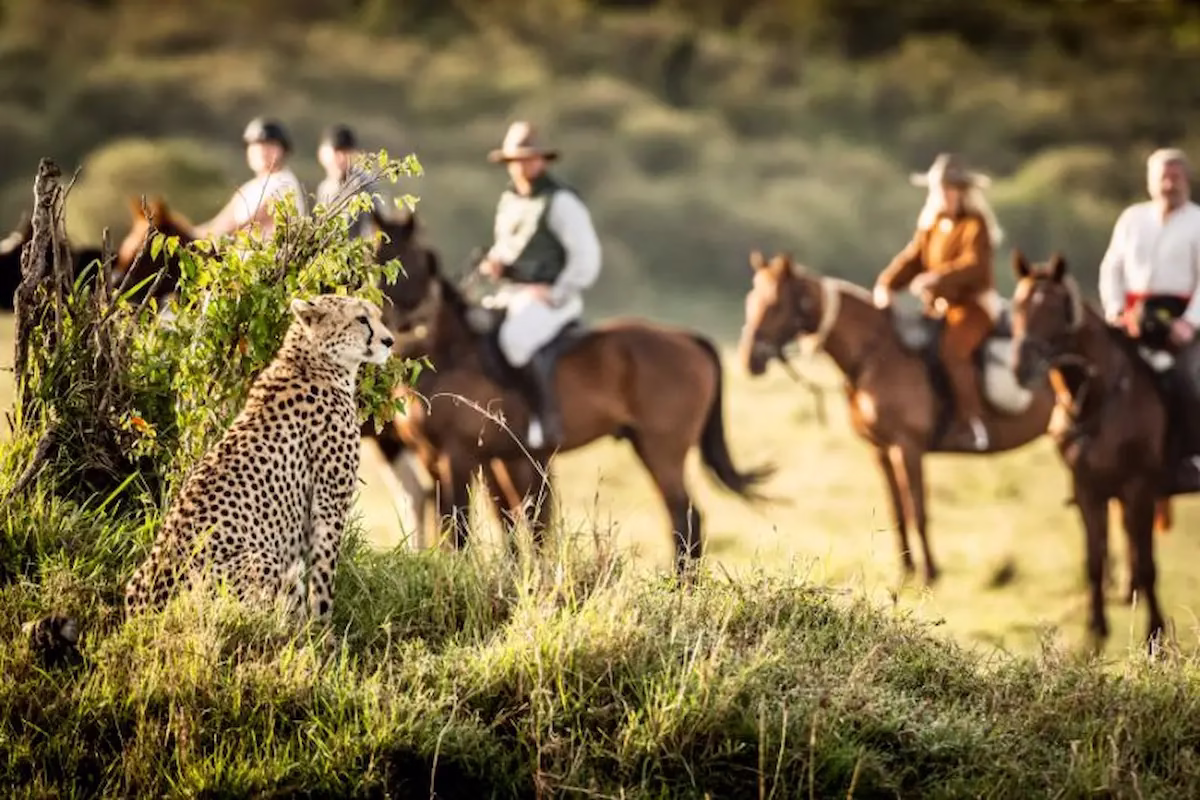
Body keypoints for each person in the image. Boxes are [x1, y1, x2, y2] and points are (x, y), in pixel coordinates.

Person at [476, 121, 602, 449]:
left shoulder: (561, 202)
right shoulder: (509, 200)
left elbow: (587, 257)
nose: (524, 165)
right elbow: (508, 246)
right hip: (512, 293)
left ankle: (541, 417)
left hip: (551, 298)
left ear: (543, 160)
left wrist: (555, 291)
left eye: (530, 158)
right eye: (517, 159)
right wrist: (496, 263)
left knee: (514, 340)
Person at [873, 152, 1005, 451]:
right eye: (941, 188)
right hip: (940, 310)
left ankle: (975, 424)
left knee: (953, 351)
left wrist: (936, 279)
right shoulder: (931, 226)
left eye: (951, 188)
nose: (945, 194)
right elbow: (912, 260)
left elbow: (975, 265)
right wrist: (886, 285)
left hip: (973, 308)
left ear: (963, 191)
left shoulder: (975, 224)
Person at [1097, 147, 1200, 463]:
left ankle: (1191, 455)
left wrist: (1190, 323)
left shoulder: (1197, 221)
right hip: (1133, 317)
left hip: (1181, 320)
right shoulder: (1133, 218)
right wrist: (1114, 310)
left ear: (1187, 180)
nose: (1169, 185)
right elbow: (1111, 267)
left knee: (1188, 381)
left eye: (1175, 177)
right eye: (1163, 178)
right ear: (1150, 182)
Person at [194, 117, 307, 241]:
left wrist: (207, 237)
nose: (262, 151)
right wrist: (190, 235)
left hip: (272, 258)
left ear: (283, 150)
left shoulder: (285, 183)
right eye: (255, 146)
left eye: (269, 145)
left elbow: (251, 221)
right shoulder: (249, 188)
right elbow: (221, 222)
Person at [315, 123, 389, 240]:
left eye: (346, 152)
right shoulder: (324, 188)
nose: (341, 158)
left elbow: (378, 224)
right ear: (322, 154)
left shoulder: (365, 183)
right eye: (336, 151)